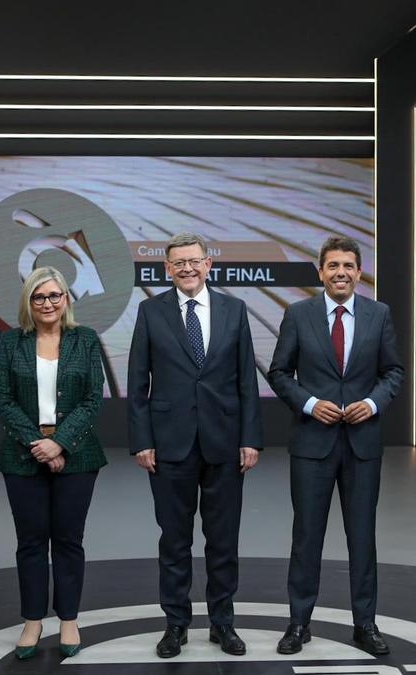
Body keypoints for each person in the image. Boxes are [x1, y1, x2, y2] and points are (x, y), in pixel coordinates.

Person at [127, 232, 263, 658]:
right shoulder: (150, 312)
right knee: (174, 540)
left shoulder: (234, 310)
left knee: (223, 541)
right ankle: (176, 625)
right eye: (178, 263)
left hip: (225, 444)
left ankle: (223, 623)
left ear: (209, 265)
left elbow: (246, 380)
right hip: (169, 446)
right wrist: (141, 441)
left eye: (194, 261)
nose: (186, 268)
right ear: (167, 269)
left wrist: (250, 439)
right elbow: (136, 384)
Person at [267, 235, 404, 656]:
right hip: (312, 444)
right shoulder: (298, 314)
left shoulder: (378, 314)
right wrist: (310, 404)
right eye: (333, 266)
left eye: (348, 266)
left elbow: (393, 372)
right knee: (306, 537)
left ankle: (365, 624)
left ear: (358, 273)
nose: (341, 273)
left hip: (362, 446)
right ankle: (298, 623)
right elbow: (278, 372)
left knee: (362, 537)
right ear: (320, 272)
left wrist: (370, 403)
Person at [0, 266, 107, 660]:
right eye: (39, 297)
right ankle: (32, 620)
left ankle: (70, 619)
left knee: (68, 540)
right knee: (30, 542)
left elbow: (94, 398)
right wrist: (36, 442)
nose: (47, 303)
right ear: (29, 301)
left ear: (66, 300)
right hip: (22, 455)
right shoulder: (11, 342)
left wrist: (58, 444)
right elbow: (3, 398)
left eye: (54, 296)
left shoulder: (86, 340)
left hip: (77, 454)